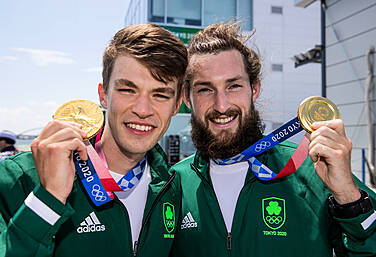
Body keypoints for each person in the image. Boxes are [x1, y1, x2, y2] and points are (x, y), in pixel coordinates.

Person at [170, 22, 376, 257]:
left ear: (254, 88)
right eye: (205, 89)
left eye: (234, 86)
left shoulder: (312, 168)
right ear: (187, 97)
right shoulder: (172, 185)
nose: (222, 105)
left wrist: (348, 196)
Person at [0, 23, 187, 257]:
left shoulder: (175, 188)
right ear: (103, 95)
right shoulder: (18, 178)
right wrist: (48, 199)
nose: (142, 109)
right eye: (128, 90)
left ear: (176, 105)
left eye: (160, 94)